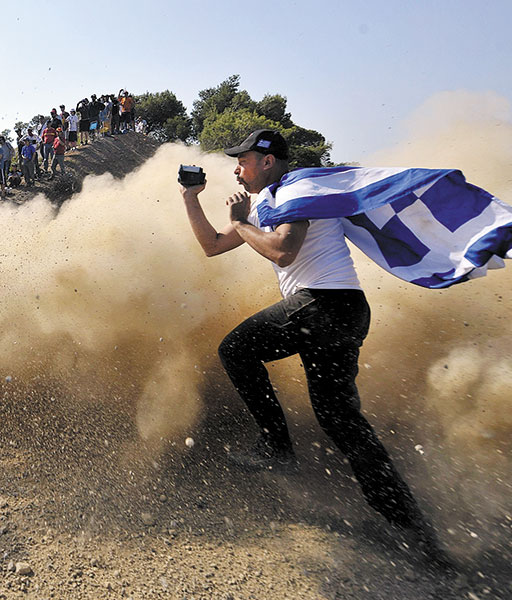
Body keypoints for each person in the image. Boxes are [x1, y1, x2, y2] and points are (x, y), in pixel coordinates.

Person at [180, 129, 441, 558]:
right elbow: (212, 246)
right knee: (341, 422)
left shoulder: (300, 187)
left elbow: (284, 251)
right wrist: (192, 198)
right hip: (343, 312)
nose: (236, 168)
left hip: (325, 305)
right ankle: (412, 530)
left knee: (236, 349)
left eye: (242, 160)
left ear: (267, 160)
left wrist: (243, 222)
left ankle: (277, 447)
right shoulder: (272, 199)